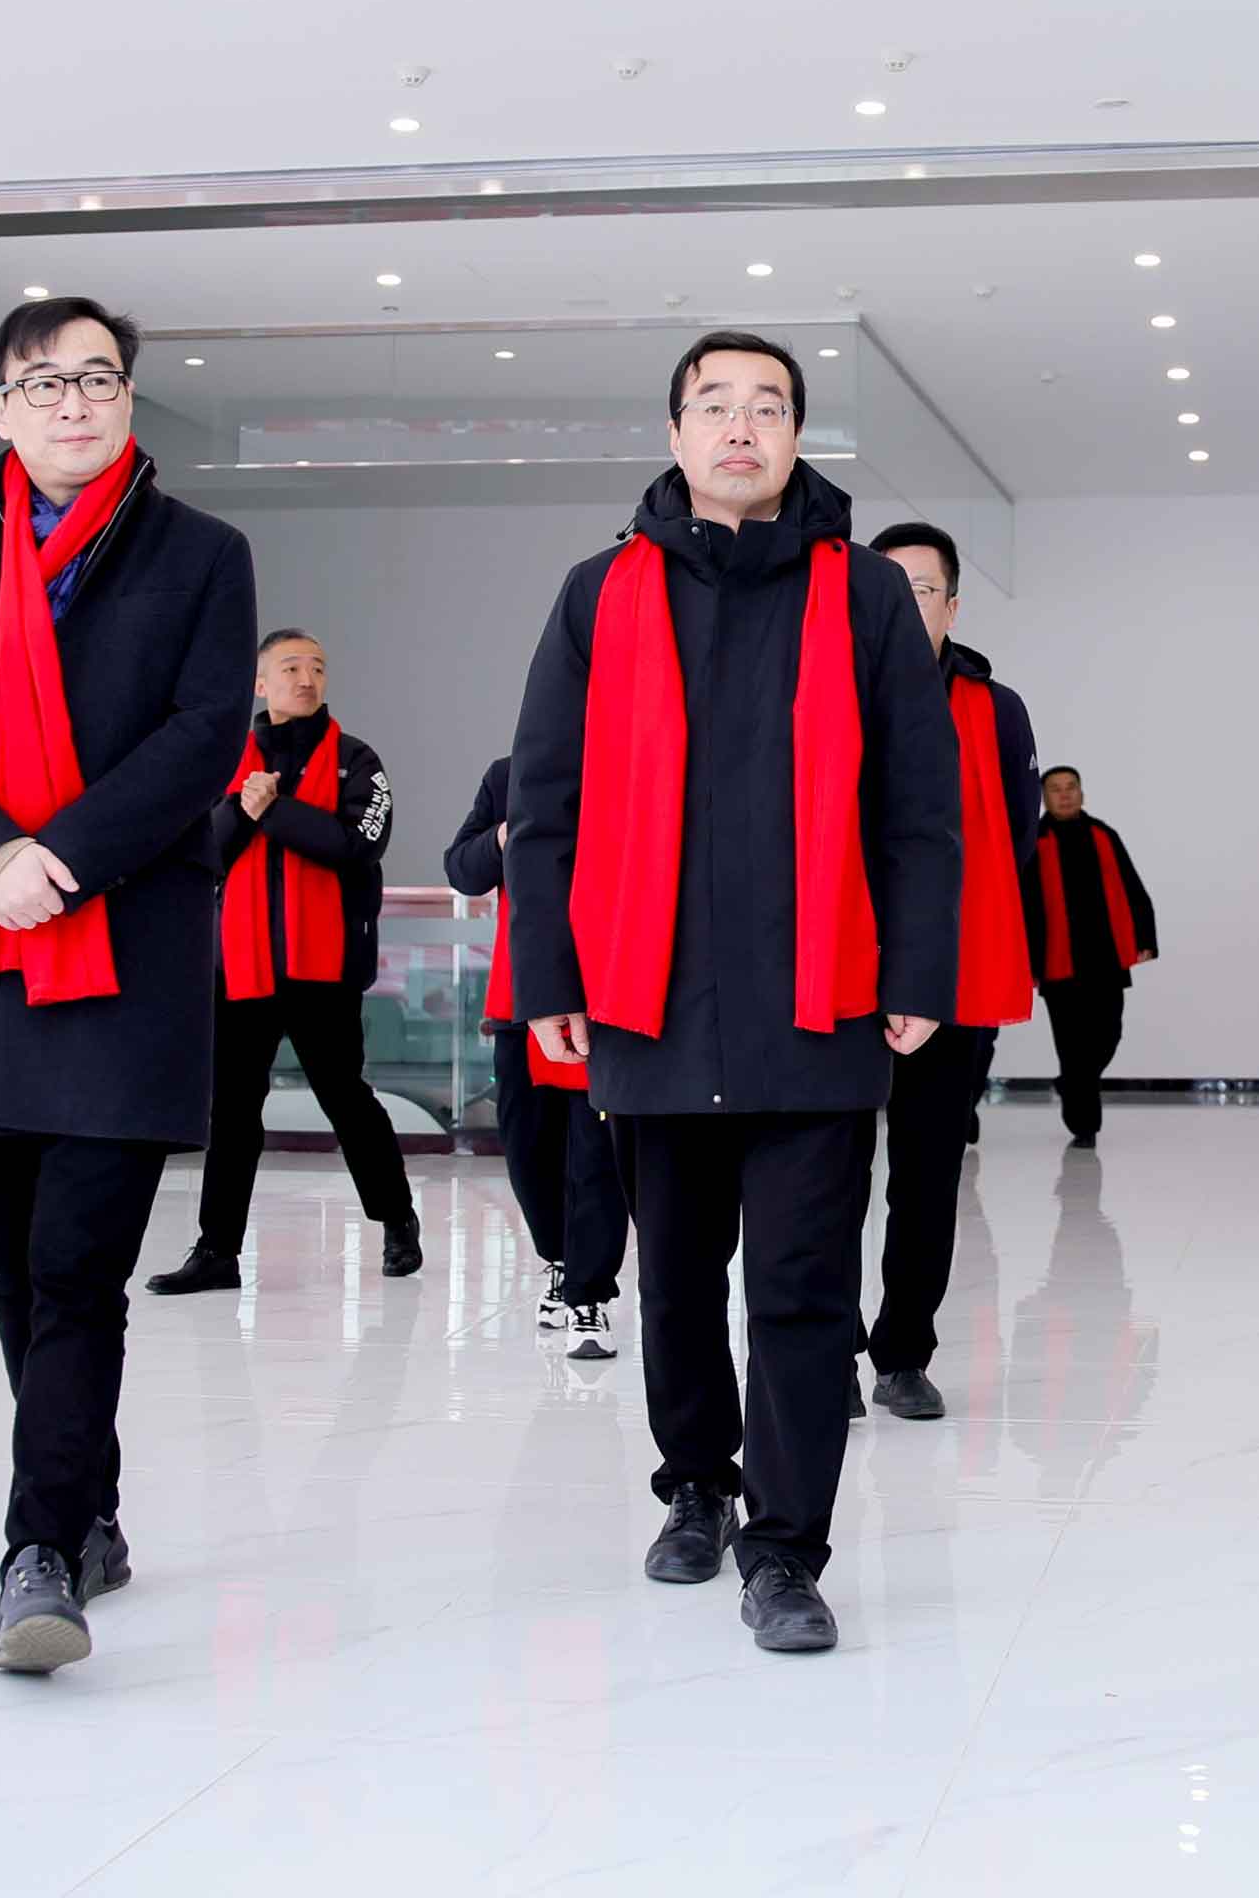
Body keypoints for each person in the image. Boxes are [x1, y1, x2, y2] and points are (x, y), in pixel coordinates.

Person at [508, 330, 960, 1657]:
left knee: (804, 1288)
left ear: (798, 436)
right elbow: (546, 802)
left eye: (770, 405)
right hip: (649, 1000)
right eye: (716, 405)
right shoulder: (599, 594)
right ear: (676, 433)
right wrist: (550, 975)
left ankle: (787, 1550)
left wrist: (917, 966)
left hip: (819, 997)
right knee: (677, 1280)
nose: (743, 426)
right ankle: (696, 1484)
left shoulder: (863, 592)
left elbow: (918, 799)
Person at [0, 294, 258, 1678]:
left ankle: (35, 1553)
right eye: (45, 382)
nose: (74, 401)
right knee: (16, 1275)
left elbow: (204, 732)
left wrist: (66, 858)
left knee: (78, 1272)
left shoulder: (201, 554)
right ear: (1, 408)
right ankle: (86, 1509)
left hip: (123, 947)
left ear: (130, 398)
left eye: (98, 378)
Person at [147, 628, 422, 1292]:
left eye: (317, 668)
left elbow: (359, 845)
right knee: (232, 1108)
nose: (307, 679)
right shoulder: (221, 761)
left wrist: (273, 810)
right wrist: (243, 809)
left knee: (346, 1100)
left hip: (325, 967)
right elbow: (200, 850)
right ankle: (217, 1251)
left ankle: (397, 1219)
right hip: (240, 966)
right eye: (291, 667)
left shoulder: (357, 760)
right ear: (260, 683)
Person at [854, 519, 1040, 1425]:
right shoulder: (821, 691)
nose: (902, 604)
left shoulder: (994, 711)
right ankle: (820, 1352)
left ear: (952, 607)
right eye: (885, 587)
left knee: (927, 1178)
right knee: (822, 1179)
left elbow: (1014, 840)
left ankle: (903, 1354)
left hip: (949, 978)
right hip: (836, 970)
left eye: (921, 590)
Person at [448, 754, 625, 1361]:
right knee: (528, 1150)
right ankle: (559, 1260)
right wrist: (504, 836)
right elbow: (462, 869)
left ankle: (589, 1293)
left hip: (606, 997)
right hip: (521, 998)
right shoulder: (507, 776)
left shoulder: (623, 763)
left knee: (597, 1156)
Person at [1031, 766, 1157, 1147]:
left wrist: (1145, 938)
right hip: (1057, 963)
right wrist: (1027, 961)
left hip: (1105, 960)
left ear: (1082, 794)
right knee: (1072, 1046)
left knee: (1108, 1034)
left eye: (1071, 787)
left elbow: (1132, 887)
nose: (1065, 794)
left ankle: (1072, 1083)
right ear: (1044, 798)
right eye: (1056, 789)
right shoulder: (1033, 841)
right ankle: (1085, 1126)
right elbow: (1023, 906)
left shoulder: (1104, 835)